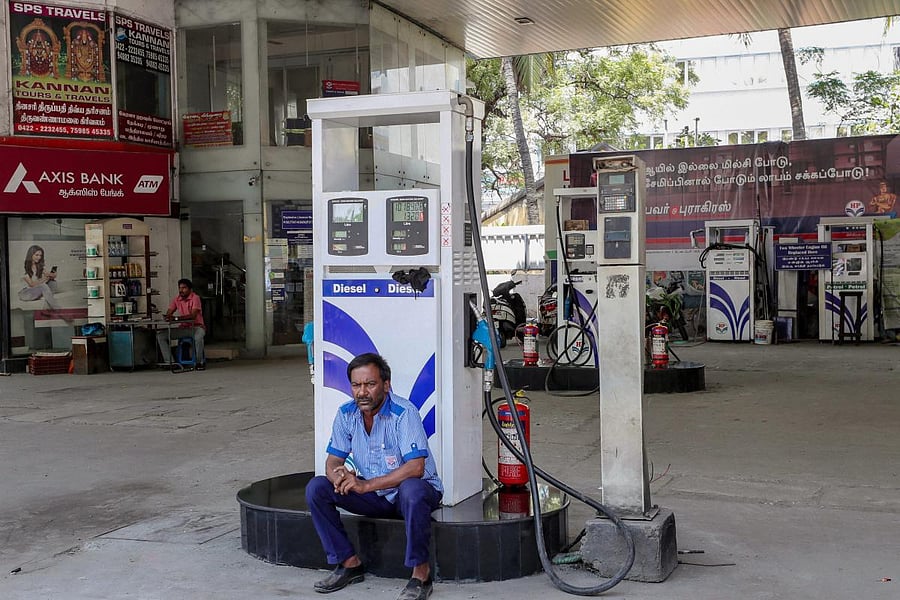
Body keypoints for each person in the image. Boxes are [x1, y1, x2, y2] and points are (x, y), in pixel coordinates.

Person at [305, 353, 442, 600]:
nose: (362, 392)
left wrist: (365, 484)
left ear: (386, 385)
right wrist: (339, 475)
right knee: (317, 488)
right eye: (356, 385)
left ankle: (421, 574)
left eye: (370, 384)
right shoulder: (347, 414)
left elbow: (416, 468)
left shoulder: (404, 413)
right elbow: (333, 460)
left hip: (408, 495)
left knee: (412, 489)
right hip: (374, 495)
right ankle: (349, 563)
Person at [156, 278, 206, 370]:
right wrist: (168, 316)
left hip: (197, 327)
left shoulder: (195, 298)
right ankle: (170, 362)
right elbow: (169, 312)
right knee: (161, 336)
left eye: (184, 288)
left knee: (198, 338)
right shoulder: (177, 299)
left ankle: (199, 362)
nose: (181, 290)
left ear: (190, 289)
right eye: (180, 288)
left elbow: (193, 316)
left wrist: (176, 318)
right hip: (183, 328)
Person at [19, 245, 61, 310]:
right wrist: (45, 278)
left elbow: (47, 274)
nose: (39, 257)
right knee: (43, 286)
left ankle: (46, 308)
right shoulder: (24, 266)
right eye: (36, 255)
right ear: (31, 255)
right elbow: (31, 284)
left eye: (40, 255)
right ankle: (58, 309)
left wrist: (53, 275)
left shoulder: (38, 265)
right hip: (25, 293)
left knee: (53, 283)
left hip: (36, 291)